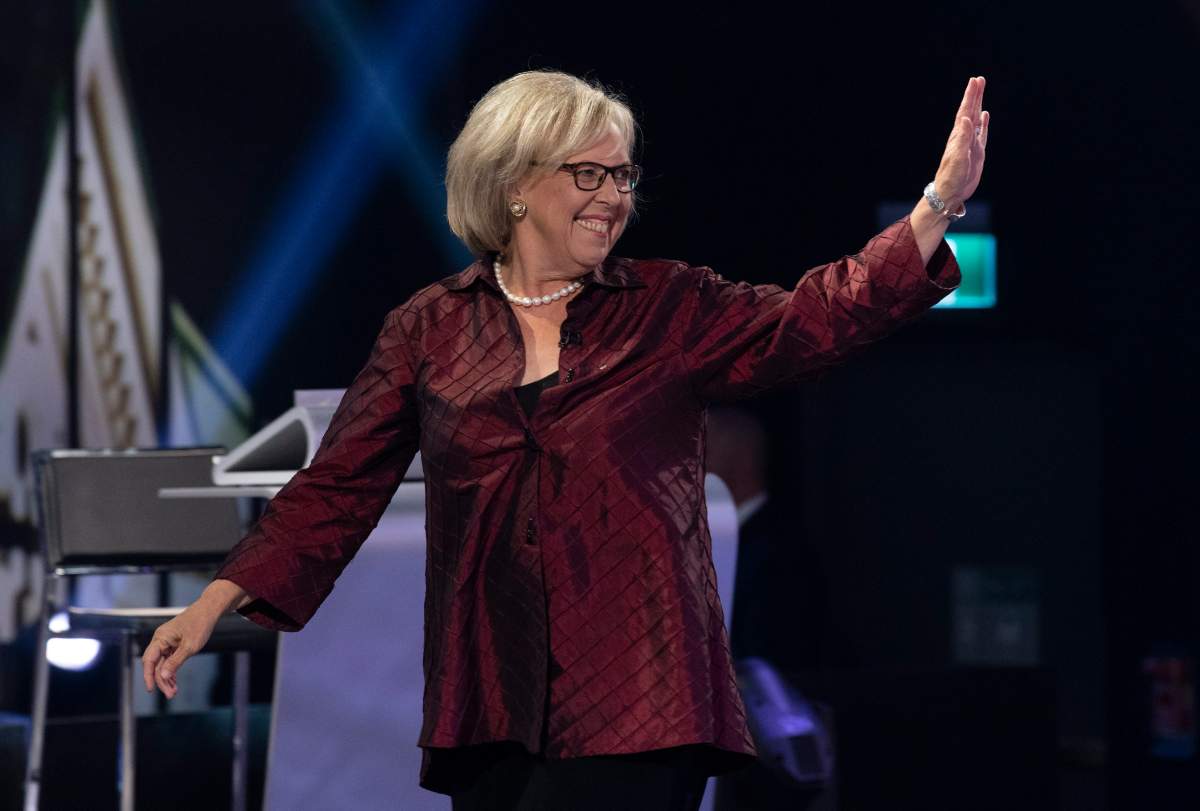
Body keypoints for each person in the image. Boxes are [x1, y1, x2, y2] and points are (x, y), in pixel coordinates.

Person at [142, 69, 989, 809]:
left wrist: (938, 204)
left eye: (624, 175)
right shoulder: (428, 328)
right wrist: (216, 601)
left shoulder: (667, 307)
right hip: (489, 697)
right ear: (513, 183)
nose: (615, 196)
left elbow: (819, 315)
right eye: (589, 172)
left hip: (640, 696)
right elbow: (337, 487)